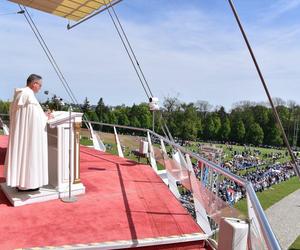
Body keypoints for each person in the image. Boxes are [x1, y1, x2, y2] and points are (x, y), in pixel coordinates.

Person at [5, 74, 49, 191]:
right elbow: (34, 119)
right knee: (28, 154)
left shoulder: (20, 94)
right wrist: (46, 117)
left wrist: (42, 115)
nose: (40, 88)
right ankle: (27, 184)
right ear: (34, 84)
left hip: (21, 133)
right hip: (28, 135)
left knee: (21, 153)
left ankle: (21, 182)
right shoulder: (28, 96)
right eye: (40, 85)